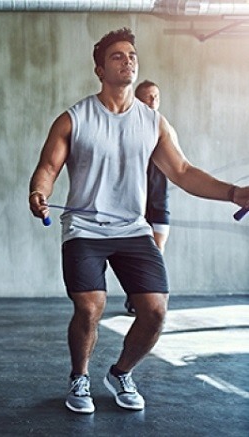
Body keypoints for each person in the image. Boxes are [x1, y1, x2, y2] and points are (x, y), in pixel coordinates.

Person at [28, 28, 248, 414]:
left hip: (132, 228)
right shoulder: (74, 118)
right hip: (84, 228)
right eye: (117, 56)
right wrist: (39, 192)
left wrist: (232, 192)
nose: (128, 60)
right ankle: (79, 376)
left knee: (156, 310)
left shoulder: (153, 122)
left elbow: (182, 171)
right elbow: (47, 166)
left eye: (132, 55)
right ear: (99, 69)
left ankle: (121, 372)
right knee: (90, 307)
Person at [124, 80, 172, 315]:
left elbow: (181, 168)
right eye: (147, 97)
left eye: (156, 96)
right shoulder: (129, 129)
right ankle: (135, 296)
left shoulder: (164, 129)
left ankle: (145, 298)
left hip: (159, 203)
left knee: (157, 251)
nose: (152, 101)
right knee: (138, 255)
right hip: (135, 206)